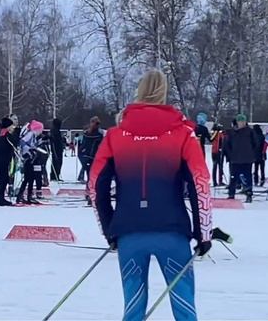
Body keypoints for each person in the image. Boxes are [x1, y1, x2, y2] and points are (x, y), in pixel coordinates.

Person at [89, 69, 212, 321]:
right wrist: (204, 233)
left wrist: (109, 229)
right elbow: (201, 184)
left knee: (133, 309)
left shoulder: (114, 135)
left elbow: (95, 185)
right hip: (173, 232)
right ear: (163, 93)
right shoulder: (183, 134)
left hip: (130, 232)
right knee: (184, 307)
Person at [224, 114, 257, 202]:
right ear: (237, 122)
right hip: (235, 159)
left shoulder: (250, 132)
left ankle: (249, 193)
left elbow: (255, 143)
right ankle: (231, 194)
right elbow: (227, 145)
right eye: (240, 121)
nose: (241, 123)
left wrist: (252, 153)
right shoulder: (232, 132)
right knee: (233, 177)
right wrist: (230, 155)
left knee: (247, 177)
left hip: (247, 159)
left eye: (243, 121)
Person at [16, 120, 43, 204]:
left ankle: (25, 195)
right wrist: (28, 150)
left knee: (29, 178)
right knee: (29, 178)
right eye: (40, 130)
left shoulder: (34, 136)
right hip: (27, 158)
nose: (41, 132)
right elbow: (22, 142)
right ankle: (24, 196)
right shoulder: (31, 134)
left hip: (30, 157)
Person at [0, 117, 18, 206]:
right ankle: (0, 199)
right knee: (3, 178)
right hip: (4, 158)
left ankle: (0, 198)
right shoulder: (6, 134)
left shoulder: (1, 133)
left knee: (2, 178)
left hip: (2, 157)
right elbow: (14, 143)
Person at [79, 116, 103, 183]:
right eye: (97, 124)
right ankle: (90, 187)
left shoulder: (87, 133)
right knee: (92, 174)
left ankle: (89, 186)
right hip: (91, 156)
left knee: (90, 173)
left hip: (88, 155)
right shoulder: (98, 135)